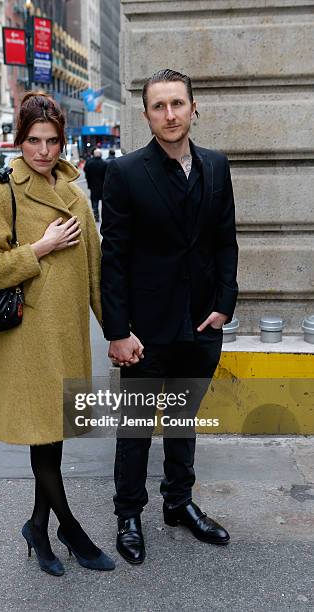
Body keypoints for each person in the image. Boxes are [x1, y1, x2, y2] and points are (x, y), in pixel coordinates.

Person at [0, 92, 115, 576]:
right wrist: (41, 246)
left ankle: (36, 524)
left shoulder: (75, 194)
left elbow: (95, 271)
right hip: (28, 340)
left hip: (67, 336)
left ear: (62, 142)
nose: (44, 151)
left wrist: (115, 331)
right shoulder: (0, 194)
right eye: (34, 140)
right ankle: (69, 528)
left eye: (52, 141)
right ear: (20, 141)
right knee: (43, 439)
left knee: (51, 438)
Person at [101, 69, 238, 564]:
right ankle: (128, 514)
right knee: (135, 427)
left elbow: (225, 241)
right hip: (146, 331)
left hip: (201, 326)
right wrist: (118, 331)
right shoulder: (125, 173)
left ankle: (179, 503)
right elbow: (112, 258)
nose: (170, 114)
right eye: (159, 107)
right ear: (146, 115)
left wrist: (226, 303)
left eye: (177, 104)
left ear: (193, 107)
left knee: (184, 420)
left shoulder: (217, 167)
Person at [83, 148, 107, 222]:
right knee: (104, 203)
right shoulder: (104, 163)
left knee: (94, 201)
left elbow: (85, 171)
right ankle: (105, 216)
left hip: (93, 185)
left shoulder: (89, 162)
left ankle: (96, 216)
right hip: (103, 185)